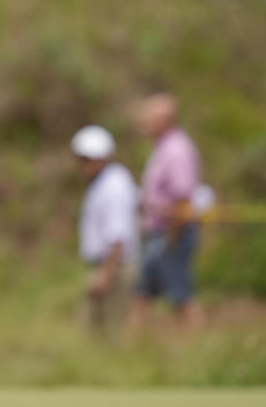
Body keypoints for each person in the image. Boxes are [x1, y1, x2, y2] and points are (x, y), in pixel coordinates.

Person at [133, 93, 202, 330]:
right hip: (159, 233)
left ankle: (196, 347)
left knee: (180, 295)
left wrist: (172, 238)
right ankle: (132, 348)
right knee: (143, 293)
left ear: (165, 120)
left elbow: (183, 200)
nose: (144, 123)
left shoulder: (176, 150)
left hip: (171, 233)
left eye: (149, 118)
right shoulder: (163, 148)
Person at [70, 125, 139, 332]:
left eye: (86, 160)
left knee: (111, 331)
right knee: (94, 331)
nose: (82, 166)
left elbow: (117, 235)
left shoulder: (113, 186)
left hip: (113, 265)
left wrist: (105, 274)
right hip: (109, 264)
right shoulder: (104, 183)